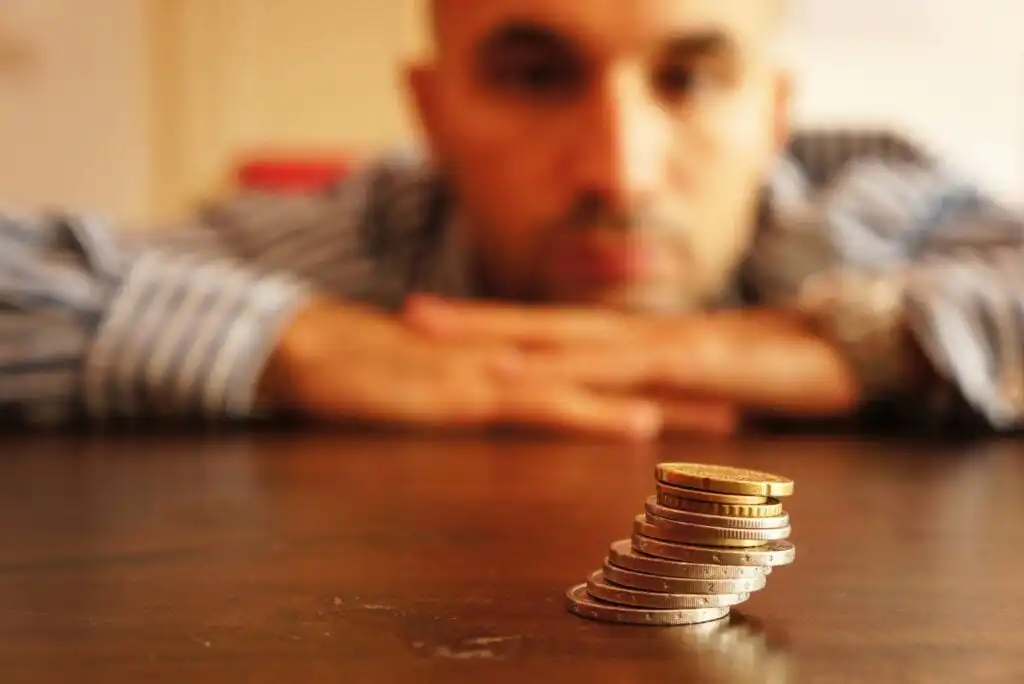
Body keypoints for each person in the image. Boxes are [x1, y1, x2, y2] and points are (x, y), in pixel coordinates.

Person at [1, 0, 1021, 439]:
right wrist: (295, 341)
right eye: (535, 76)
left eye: (692, 79)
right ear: (431, 110)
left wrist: (873, 340)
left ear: (775, 114)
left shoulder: (867, 206)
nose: (618, 175)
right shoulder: (345, 245)